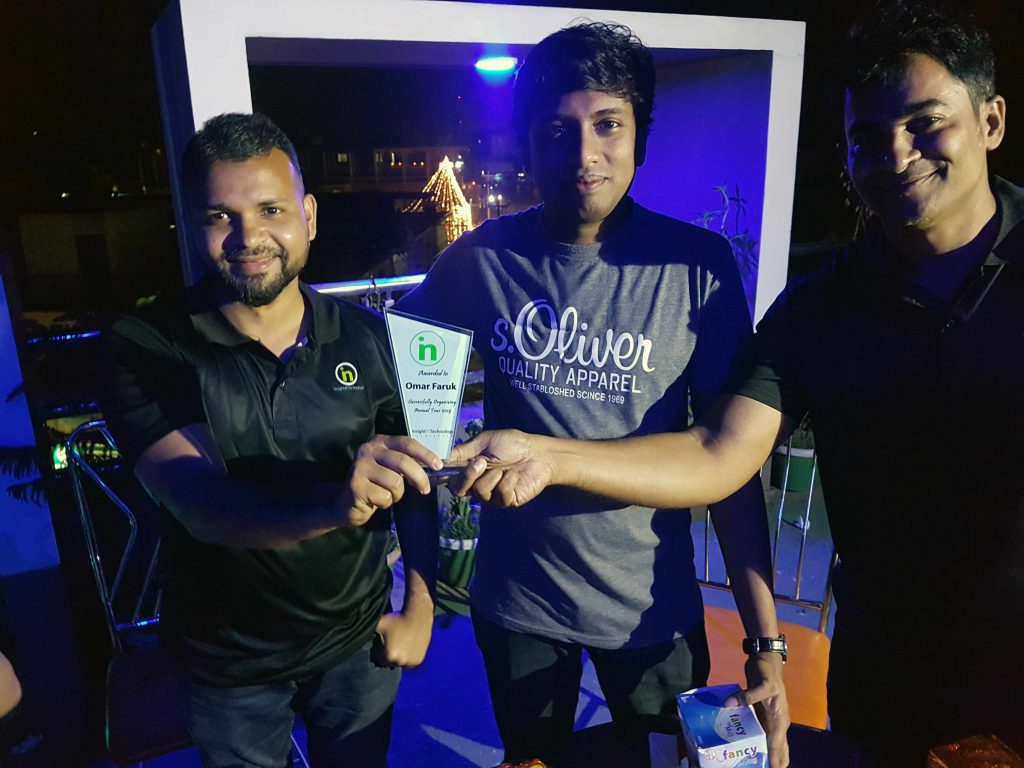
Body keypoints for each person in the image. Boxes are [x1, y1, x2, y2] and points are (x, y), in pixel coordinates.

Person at [450, 1, 1023, 761]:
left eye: (924, 123)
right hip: (881, 669)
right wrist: (536, 461)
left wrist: (763, 641)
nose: (895, 153)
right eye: (866, 137)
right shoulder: (818, 310)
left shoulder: (697, 266)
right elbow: (721, 454)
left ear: (990, 120)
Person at [398, 22, 789, 768]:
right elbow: (395, 364)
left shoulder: (697, 268)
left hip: (653, 614)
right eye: (557, 130)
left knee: (664, 762)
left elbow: (729, 468)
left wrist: (764, 644)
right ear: (528, 144)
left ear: (641, 136)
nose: (583, 154)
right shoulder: (479, 258)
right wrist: (428, 458)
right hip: (517, 607)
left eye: (608, 124)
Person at [101, 112, 443, 768]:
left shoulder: (371, 338)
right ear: (191, 225)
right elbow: (202, 504)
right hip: (226, 666)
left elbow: (417, 484)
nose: (248, 237)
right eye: (220, 216)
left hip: (358, 643)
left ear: (308, 217)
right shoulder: (146, 345)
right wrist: (336, 503)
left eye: (270, 210)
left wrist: (420, 606)